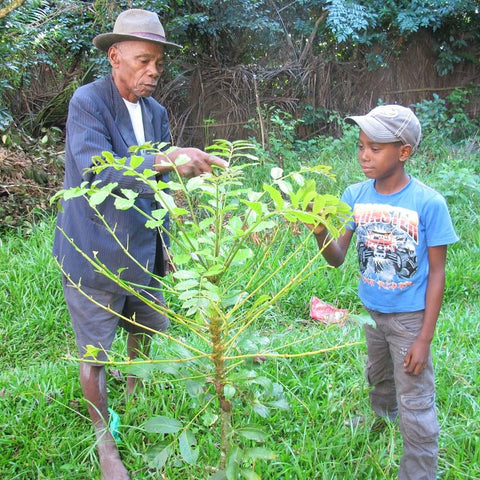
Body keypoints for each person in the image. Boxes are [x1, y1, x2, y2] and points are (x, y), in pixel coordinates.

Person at [52, 9, 227, 480]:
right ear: (115, 56)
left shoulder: (157, 113)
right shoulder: (88, 102)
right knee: (96, 353)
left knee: (148, 325)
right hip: (95, 250)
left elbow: (160, 185)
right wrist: (169, 159)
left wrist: (166, 243)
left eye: (158, 63)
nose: (153, 71)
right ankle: (105, 442)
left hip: (143, 249)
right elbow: (96, 172)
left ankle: (132, 388)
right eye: (143, 60)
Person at [309, 105, 458, 479]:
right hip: (370, 311)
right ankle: (381, 423)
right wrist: (319, 231)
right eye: (360, 146)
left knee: (415, 397)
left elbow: (438, 273)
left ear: (403, 152)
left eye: (375, 148)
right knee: (378, 376)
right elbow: (337, 258)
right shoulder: (355, 194)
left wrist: (424, 337)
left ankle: (420, 470)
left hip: (410, 320)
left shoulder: (428, 203)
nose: (363, 155)